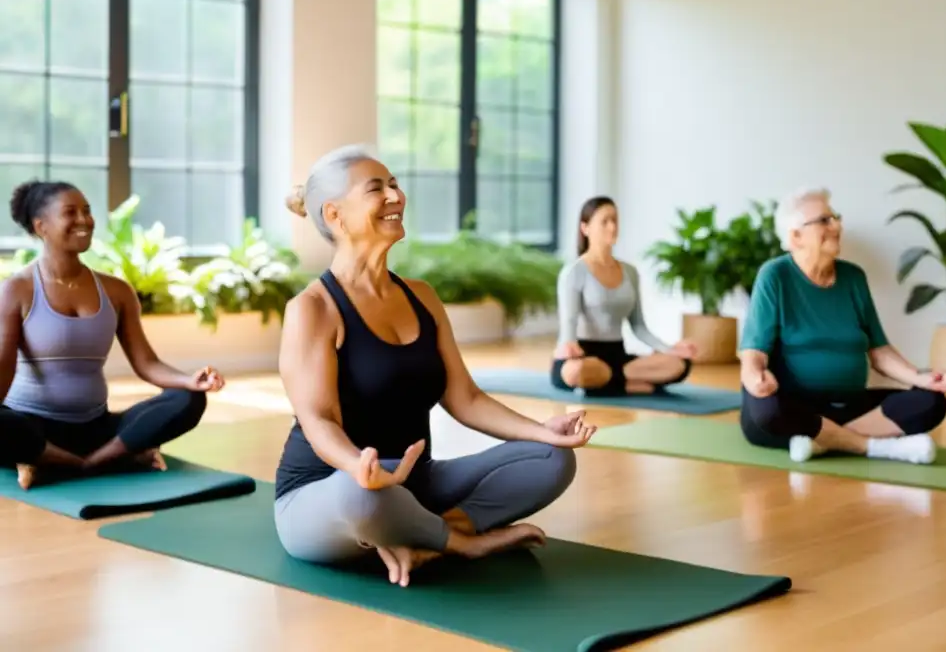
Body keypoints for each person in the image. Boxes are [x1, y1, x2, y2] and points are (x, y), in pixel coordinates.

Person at [273, 146, 592, 588]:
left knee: (553, 459)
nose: (395, 196)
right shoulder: (313, 309)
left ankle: (429, 532)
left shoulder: (421, 297)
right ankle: (461, 542)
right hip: (327, 492)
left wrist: (544, 430)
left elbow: (466, 398)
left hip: (416, 485)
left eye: (394, 184)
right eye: (376, 189)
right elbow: (318, 419)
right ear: (335, 215)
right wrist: (356, 465)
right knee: (363, 497)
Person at [0, 180, 223, 490]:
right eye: (70, 212)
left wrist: (190, 380)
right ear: (42, 227)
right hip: (33, 428)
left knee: (187, 399)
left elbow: (146, 362)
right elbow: (2, 368)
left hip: (97, 427)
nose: (84, 220)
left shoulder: (116, 291)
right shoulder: (17, 290)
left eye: (87, 211)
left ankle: (83, 462)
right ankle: (103, 458)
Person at [739, 186, 946, 465]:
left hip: (847, 407)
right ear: (795, 236)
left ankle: (823, 441)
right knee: (768, 413)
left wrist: (920, 378)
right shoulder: (775, 276)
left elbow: (879, 351)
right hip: (793, 405)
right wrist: (755, 376)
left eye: (835, 217)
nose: (837, 225)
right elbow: (753, 351)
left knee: (932, 401)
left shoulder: (853, 278)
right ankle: (877, 447)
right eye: (824, 220)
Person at [551, 196, 698, 395]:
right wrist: (568, 347)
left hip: (617, 356)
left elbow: (638, 326)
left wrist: (670, 349)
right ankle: (627, 384)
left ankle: (608, 385)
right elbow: (569, 324)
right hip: (584, 357)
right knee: (577, 372)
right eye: (604, 221)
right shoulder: (573, 272)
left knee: (680, 364)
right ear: (585, 228)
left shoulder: (630, 272)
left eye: (615, 220)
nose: (612, 227)